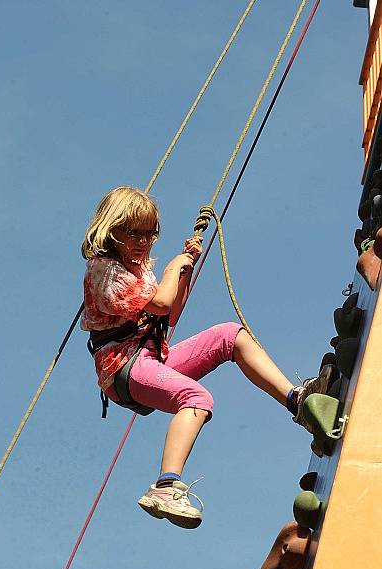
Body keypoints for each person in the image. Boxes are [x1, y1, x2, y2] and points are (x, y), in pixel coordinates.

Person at [81, 187, 332, 529]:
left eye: (148, 233)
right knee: (197, 398)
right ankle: (166, 486)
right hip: (123, 367)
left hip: (150, 356)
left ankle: (296, 402)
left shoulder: (139, 271)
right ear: (112, 231)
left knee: (229, 335)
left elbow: (168, 318)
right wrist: (173, 269)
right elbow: (161, 304)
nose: (142, 241)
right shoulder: (104, 271)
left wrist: (184, 272)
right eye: (132, 233)